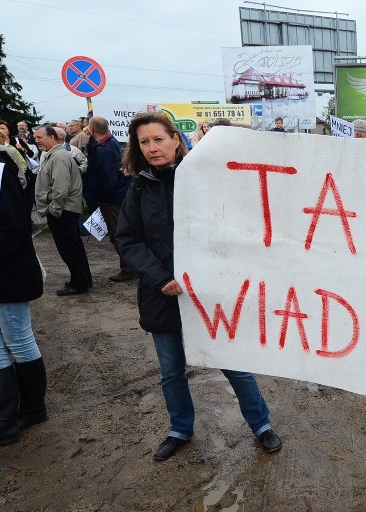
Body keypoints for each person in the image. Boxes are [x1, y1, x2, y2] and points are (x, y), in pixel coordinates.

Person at [116, 111, 283, 461]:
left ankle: (261, 424)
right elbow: (129, 240)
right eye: (144, 142)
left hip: (209, 294)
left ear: (176, 140)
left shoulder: (206, 178)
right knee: (172, 371)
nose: (151, 147)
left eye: (158, 139)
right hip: (162, 294)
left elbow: (234, 228)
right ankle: (180, 429)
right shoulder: (140, 186)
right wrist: (160, 278)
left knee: (233, 364)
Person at [0, 95, 48, 453]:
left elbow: (14, 227)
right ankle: (3, 423)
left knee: (18, 341)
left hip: (5, 272)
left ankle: (32, 409)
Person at [34, 125, 93, 296]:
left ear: (52, 137)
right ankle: (82, 279)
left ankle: (79, 283)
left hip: (62, 211)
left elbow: (60, 188)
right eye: (35, 137)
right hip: (63, 210)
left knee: (69, 248)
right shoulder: (54, 155)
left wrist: (54, 210)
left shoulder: (58, 157)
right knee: (73, 247)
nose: (37, 140)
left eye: (40, 137)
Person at [84, 116, 136, 282]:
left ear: (92, 130)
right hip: (117, 197)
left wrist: (101, 198)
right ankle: (130, 267)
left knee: (118, 234)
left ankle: (129, 269)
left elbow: (108, 179)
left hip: (112, 200)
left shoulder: (104, 149)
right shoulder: (112, 142)